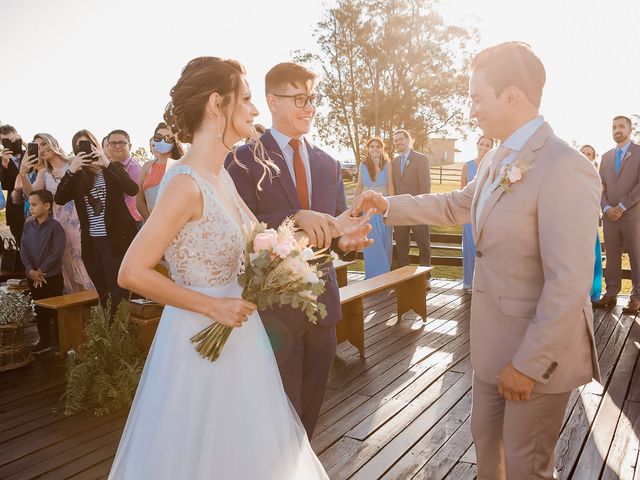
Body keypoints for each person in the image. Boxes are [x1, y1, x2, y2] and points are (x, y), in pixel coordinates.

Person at [352, 41, 601, 480]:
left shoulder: (565, 167)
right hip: (489, 348)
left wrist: (527, 366)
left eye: (476, 98)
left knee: (526, 467)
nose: (471, 111)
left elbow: (569, 283)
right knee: (488, 453)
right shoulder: (496, 159)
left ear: (511, 96)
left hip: (536, 356)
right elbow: (455, 205)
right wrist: (387, 204)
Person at [110, 56, 338, 480]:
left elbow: (270, 244)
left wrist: (338, 226)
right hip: (198, 345)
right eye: (247, 99)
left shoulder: (222, 179)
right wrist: (212, 308)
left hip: (241, 341)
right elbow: (132, 272)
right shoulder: (184, 184)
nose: (254, 110)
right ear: (218, 104)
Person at [226, 61, 370, 438]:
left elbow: (335, 229)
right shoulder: (243, 159)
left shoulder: (328, 163)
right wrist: (294, 216)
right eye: (300, 98)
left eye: (313, 98)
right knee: (276, 414)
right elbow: (239, 230)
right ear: (272, 101)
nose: (310, 107)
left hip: (323, 307)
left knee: (308, 417)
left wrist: (348, 242)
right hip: (273, 313)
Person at [54, 130, 138, 309]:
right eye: (78, 147)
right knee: (104, 295)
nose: (84, 150)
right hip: (92, 244)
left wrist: (106, 163)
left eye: (87, 144)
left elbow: (132, 189)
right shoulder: (77, 176)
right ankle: (108, 334)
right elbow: (59, 198)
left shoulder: (111, 169)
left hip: (116, 242)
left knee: (118, 294)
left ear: (96, 145)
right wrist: (71, 170)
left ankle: (120, 334)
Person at [18, 133, 93, 293]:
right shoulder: (44, 173)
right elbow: (32, 195)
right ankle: (75, 310)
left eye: (44, 144)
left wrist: (67, 178)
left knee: (84, 261)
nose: (42, 149)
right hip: (59, 225)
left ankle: (95, 307)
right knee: (67, 263)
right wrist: (23, 174)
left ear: (52, 143)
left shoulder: (74, 162)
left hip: (79, 220)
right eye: (37, 147)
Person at [593, 116, 640, 314]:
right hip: (610, 218)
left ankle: (637, 298)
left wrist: (621, 206)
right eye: (614, 127)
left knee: (636, 256)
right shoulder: (605, 157)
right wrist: (605, 208)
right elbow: (599, 186)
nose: (617, 130)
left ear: (629, 130)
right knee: (612, 257)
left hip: (632, 216)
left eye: (621, 126)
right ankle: (611, 293)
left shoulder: (638, 152)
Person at [20, 190, 66, 354]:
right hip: (33, 276)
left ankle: (62, 341)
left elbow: (57, 252)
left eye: (34, 204)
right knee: (40, 310)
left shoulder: (55, 227)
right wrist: (30, 271)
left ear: (47, 206)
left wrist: (41, 271)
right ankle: (44, 340)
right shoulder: (28, 225)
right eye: (29, 204)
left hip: (51, 277)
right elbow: (23, 249)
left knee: (55, 310)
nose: (30, 208)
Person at [355, 137, 394, 278]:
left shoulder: (388, 165)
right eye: (372, 146)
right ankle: (372, 275)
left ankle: (384, 276)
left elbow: (390, 186)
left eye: (378, 146)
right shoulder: (363, 164)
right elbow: (359, 185)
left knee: (384, 242)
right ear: (368, 149)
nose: (375, 149)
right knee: (371, 242)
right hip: (368, 210)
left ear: (382, 149)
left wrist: (393, 207)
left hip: (383, 208)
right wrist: (355, 206)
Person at [391, 129, 431, 267]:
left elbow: (425, 187)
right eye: (395, 140)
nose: (398, 142)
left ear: (408, 140)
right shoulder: (394, 162)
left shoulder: (421, 159)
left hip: (417, 210)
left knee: (423, 245)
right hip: (399, 212)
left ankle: (426, 278)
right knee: (402, 247)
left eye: (400, 139)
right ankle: (403, 279)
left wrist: (423, 208)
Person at [461, 136, 494, 292]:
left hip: (488, 215)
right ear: (477, 145)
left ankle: (484, 285)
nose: (484, 147)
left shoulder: (494, 166)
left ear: (491, 147)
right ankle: (469, 283)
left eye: (487, 145)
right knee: (469, 249)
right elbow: (461, 192)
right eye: (481, 144)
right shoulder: (467, 166)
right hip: (469, 215)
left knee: (485, 250)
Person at [136, 122, 184, 220]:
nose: (162, 141)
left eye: (167, 138)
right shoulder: (147, 166)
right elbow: (139, 199)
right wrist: (150, 222)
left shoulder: (180, 165)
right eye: (158, 137)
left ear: (174, 141)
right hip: (151, 225)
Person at [105, 129, 143, 227]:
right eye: (113, 143)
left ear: (129, 146)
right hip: (112, 221)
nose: (117, 146)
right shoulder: (106, 166)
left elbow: (133, 200)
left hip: (131, 221)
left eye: (121, 143)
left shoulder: (135, 168)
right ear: (107, 146)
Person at [580, 144, 603, 303]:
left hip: (589, 220)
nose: (586, 156)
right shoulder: (567, 174)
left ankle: (593, 292)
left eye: (590, 154)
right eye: (583, 153)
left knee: (592, 257)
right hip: (571, 222)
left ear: (593, 158)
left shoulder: (596, 176)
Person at [0, 124, 27, 244]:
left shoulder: (29, 153)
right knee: (21, 246)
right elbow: (5, 186)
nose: (8, 143)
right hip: (15, 210)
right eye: (4, 141)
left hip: (34, 207)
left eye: (11, 139)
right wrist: (5, 165)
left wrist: (23, 142)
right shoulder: (2, 161)